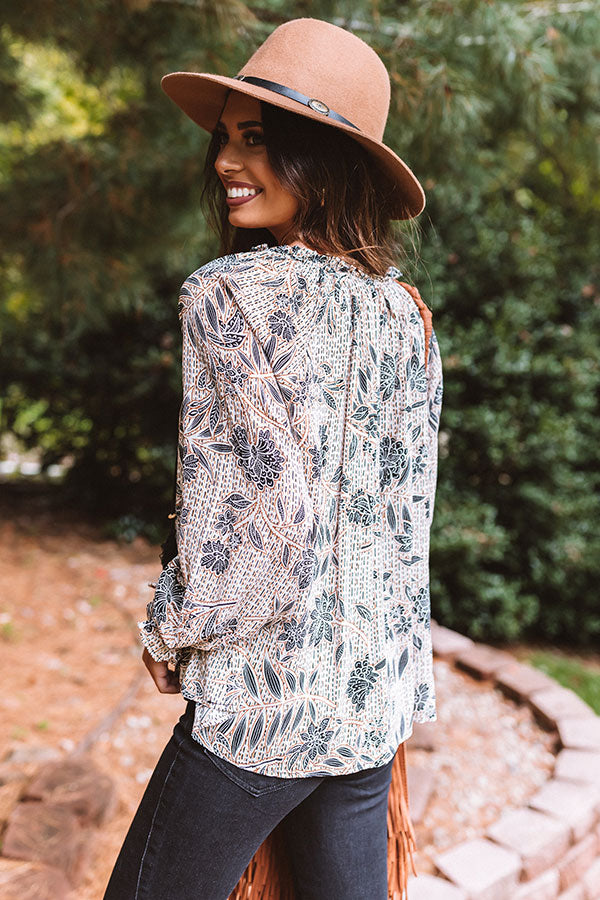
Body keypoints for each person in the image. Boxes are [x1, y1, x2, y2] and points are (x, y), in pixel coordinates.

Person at [103, 16, 443, 900]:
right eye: (225, 137)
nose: (225, 160)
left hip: (263, 712)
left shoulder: (227, 296)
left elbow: (269, 522)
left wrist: (171, 626)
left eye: (256, 139)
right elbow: (408, 522)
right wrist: (396, 684)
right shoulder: (405, 313)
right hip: (370, 708)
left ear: (323, 158)